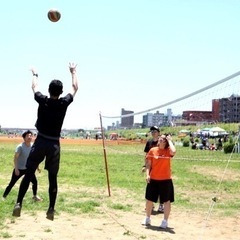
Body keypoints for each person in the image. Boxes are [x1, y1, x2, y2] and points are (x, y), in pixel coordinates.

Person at [12, 63, 78, 221]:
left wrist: (35, 74)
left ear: (49, 90)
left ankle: (19, 203)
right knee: (52, 178)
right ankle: (51, 209)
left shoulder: (43, 100)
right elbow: (75, 87)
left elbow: (34, 87)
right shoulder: (64, 102)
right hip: (54, 144)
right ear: (61, 92)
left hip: (40, 141)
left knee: (29, 173)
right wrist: (73, 71)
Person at [142, 134, 176, 229]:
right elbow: (148, 164)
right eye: (160, 138)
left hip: (166, 180)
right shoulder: (153, 150)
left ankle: (165, 221)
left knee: (166, 201)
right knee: (149, 200)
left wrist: (170, 140)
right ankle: (147, 218)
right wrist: (148, 174)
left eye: (163, 139)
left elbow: (174, 151)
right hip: (153, 179)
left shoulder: (168, 151)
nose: (161, 140)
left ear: (166, 142)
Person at [2, 130, 42, 201]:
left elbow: (35, 158)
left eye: (30, 135)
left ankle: (34, 196)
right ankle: (4, 197)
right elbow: (15, 158)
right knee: (12, 183)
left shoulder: (33, 146)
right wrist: (16, 169)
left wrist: (37, 167)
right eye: (27, 136)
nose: (29, 137)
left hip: (29, 169)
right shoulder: (20, 147)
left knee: (35, 182)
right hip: (19, 169)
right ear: (24, 138)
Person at [142, 126, 164, 213]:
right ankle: (150, 204)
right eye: (152, 131)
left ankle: (161, 205)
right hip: (151, 167)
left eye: (155, 131)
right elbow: (147, 155)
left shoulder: (162, 141)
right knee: (151, 186)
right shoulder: (149, 142)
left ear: (158, 132)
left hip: (160, 167)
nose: (153, 133)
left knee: (161, 186)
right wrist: (145, 166)